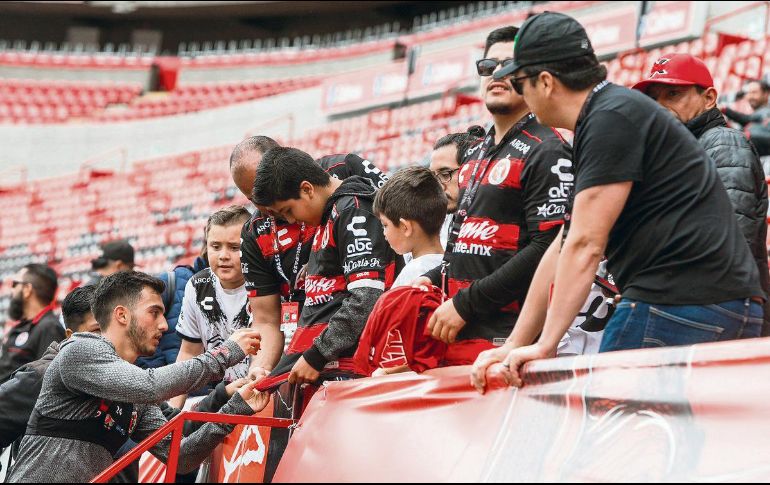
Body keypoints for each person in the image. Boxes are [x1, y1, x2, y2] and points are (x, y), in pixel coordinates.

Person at [472, 12, 764, 391]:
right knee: (671, 445)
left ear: (545, 82)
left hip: (678, 302)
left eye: (520, 82)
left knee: (610, 435)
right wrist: (517, 342)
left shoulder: (609, 119)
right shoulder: (607, 113)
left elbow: (585, 244)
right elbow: (564, 243)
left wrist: (545, 345)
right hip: (713, 301)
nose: (519, 93)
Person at [6, 271, 265, 483]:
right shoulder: (80, 349)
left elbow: (181, 457)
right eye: (154, 312)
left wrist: (236, 408)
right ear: (122, 315)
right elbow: (152, 386)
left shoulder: (133, 392)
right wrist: (225, 353)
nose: (164, 324)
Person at [412, 26, 573, 366]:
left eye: (509, 65)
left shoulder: (548, 149)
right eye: (488, 66)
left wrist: (465, 303)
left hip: (508, 340)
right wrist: (422, 284)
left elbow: (549, 248)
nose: (497, 74)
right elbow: (466, 248)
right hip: (459, 332)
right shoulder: (476, 153)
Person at [230, 135, 390, 381]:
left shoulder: (346, 181)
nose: (266, 206)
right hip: (310, 343)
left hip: (351, 347)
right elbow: (266, 319)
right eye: (254, 198)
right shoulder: (254, 231)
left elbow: (368, 291)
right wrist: (260, 368)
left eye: (283, 208)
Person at [632, 53, 770, 336]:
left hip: (713, 307)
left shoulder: (722, 142)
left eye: (673, 93)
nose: (660, 107)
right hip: (699, 304)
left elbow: (729, 238)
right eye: (654, 99)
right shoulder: (681, 150)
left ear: (709, 98)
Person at [170, 206, 252, 408]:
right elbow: (189, 353)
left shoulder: (266, 282)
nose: (223, 255)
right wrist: (172, 411)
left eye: (234, 247)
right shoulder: (197, 285)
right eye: (216, 246)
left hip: (258, 391)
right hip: (220, 395)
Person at [0, 285, 99, 452]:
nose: (107, 339)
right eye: (98, 330)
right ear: (70, 336)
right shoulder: (47, 374)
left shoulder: (130, 385)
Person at [374, 167, 446, 288]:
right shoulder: (454, 264)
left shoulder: (412, 275)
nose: (384, 233)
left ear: (405, 227)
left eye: (385, 225)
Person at [0, 264, 62, 383]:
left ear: (27, 290)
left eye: (14, 284)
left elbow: (45, 382)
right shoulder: (22, 326)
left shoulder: (49, 327)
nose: (11, 290)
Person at [429, 126, 486, 248]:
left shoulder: (494, 222)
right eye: (433, 177)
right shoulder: (441, 220)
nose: (437, 186)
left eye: (445, 174)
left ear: (472, 169)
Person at [723, 79, 770, 157]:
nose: (749, 96)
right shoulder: (755, 120)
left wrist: (724, 109)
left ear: (766, 94)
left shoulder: (766, 112)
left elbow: (746, 119)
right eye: (748, 93)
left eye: (754, 92)